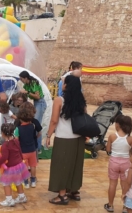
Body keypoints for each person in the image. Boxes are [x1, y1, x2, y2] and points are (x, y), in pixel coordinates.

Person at [45, 75, 86, 205]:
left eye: (63, 82)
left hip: (64, 137)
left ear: (67, 86)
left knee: (61, 165)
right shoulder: (81, 101)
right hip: (78, 137)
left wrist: (48, 135)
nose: (61, 84)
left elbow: (54, 120)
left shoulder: (59, 100)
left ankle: (62, 195)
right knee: (75, 165)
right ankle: (74, 190)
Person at [0, 123, 30, 207]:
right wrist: (21, 160)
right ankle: (22, 197)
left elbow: (5, 157)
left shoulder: (5, 145)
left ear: (2, 133)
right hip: (19, 165)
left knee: (6, 184)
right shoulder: (16, 141)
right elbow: (20, 151)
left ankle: (9, 200)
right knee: (18, 181)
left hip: (11, 167)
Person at [104, 115, 132, 212]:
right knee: (124, 185)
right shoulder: (130, 139)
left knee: (112, 184)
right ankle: (125, 206)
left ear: (118, 125)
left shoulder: (112, 136)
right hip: (126, 163)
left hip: (114, 161)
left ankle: (110, 205)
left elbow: (108, 150)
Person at [14, 102, 41, 189]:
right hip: (32, 149)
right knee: (33, 165)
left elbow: (16, 140)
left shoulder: (18, 127)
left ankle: (25, 182)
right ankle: (33, 181)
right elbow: (39, 132)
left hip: (23, 151)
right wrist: (35, 138)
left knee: (24, 167)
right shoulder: (33, 125)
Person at [19, 71, 46, 153]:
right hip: (36, 103)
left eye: (21, 79)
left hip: (40, 102)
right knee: (34, 123)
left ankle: (38, 148)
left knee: (37, 124)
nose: (21, 80)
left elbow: (37, 96)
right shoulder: (26, 85)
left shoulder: (34, 83)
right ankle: (35, 145)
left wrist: (27, 92)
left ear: (25, 78)